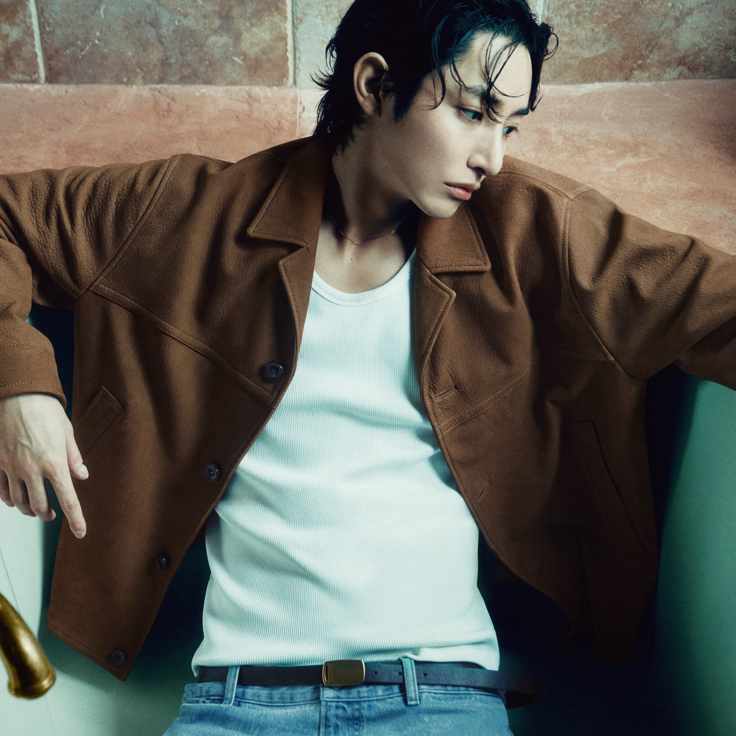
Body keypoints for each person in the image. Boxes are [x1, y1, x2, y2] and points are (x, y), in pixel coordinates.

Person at [0, 0, 734, 733]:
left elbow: (712, 303)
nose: (493, 156)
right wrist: (18, 382)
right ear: (376, 85)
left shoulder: (536, 228)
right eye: (474, 113)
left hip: (441, 698)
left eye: (509, 126)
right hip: (235, 703)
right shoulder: (189, 215)